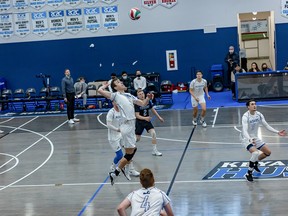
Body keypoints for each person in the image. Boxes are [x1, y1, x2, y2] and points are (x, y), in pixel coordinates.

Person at [98, 78, 153, 185]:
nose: (121, 82)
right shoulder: (115, 95)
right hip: (127, 126)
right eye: (118, 82)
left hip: (132, 126)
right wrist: (106, 85)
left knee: (133, 150)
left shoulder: (129, 95)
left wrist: (148, 98)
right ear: (115, 87)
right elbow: (100, 91)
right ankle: (117, 171)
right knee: (129, 153)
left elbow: (142, 103)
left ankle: (122, 169)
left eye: (120, 81)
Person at [240, 99, 286, 182]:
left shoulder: (259, 114)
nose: (254, 105)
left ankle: (255, 162)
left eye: (255, 104)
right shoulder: (245, 116)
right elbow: (245, 130)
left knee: (268, 152)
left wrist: (277, 132)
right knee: (255, 152)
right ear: (248, 107)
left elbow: (266, 125)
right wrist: (249, 139)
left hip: (255, 137)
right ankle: (248, 173)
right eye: (252, 104)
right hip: (246, 138)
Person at [107, 101, 140, 178]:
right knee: (120, 155)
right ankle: (113, 165)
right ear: (113, 103)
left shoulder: (122, 111)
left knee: (130, 150)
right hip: (113, 137)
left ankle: (131, 169)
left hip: (121, 135)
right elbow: (108, 124)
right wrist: (117, 129)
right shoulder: (111, 112)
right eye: (115, 102)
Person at [135, 89, 164, 156]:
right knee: (137, 139)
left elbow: (152, 109)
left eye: (142, 94)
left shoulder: (147, 101)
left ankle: (154, 150)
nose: (142, 95)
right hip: (139, 122)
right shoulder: (137, 103)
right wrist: (145, 118)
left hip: (147, 121)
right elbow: (137, 115)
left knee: (153, 133)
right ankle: (128, 146)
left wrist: (159, 117)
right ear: (137, 96)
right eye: (140, 94)